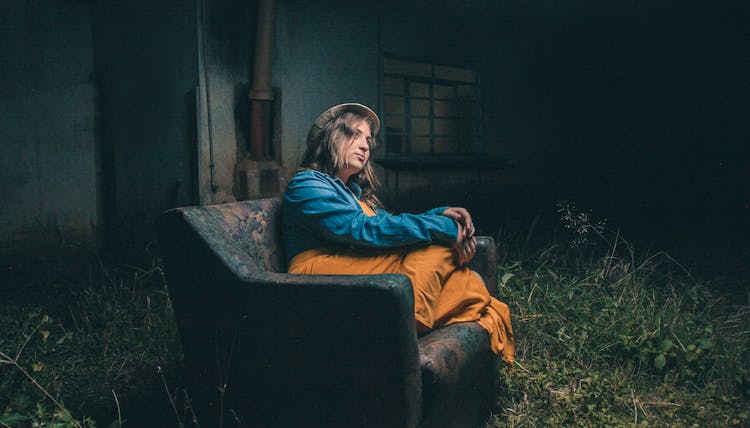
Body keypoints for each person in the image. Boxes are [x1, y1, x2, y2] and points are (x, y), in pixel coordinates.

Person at [283, 103, 514, 364]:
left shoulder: (352, 194)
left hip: (352, 264)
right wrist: (442, 228)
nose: (365, 146)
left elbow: (388, 223)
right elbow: (363, 229)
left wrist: (441, 213)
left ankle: (418, 310)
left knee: (460, 276)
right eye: (355, 134)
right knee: (437, 251)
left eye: (368, 140)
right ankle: (404, 321)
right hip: (314, 273)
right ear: (332, 138)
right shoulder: (307, 184)